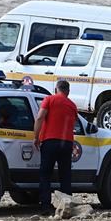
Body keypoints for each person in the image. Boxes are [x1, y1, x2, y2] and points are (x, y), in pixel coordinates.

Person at [34, 80, 78, 214]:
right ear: (68, 91)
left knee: (45, 173)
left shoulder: (49, 99)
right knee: (65, 175)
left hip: (50, 141)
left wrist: (36, 137)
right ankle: (67, 207)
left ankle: (46, 206)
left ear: (56, 89)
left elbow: (40, 117)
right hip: (66, 143)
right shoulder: (72, 105)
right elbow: (73, 124)